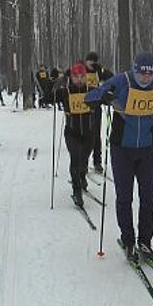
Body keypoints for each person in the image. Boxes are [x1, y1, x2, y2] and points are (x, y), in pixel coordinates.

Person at [85, 52, 153, 262]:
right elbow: (90, 97)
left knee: (148, 198)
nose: (145, 78)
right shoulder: (121, 81)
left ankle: (145, 241)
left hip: (148, 149)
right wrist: (102, 97)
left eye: (150, 74)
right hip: (121, 149)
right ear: (134, 71)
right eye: (141, 74)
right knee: (124, 198)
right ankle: (128, 240)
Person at [53, 62, 96, 207]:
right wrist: (60, 80)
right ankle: (77, 191)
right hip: (72, 132)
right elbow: (48, 95)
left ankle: (82, 176)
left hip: (89, 133)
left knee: (84, 160)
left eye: (82, 76)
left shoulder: (92, 90)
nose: (79, 79)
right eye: (76, 77)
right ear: (71, 77)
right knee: (75, 158)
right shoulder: (66, 91)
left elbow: (106, 97)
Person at [84, 51, 115, 174]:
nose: (92, 63)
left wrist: (100, 69)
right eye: (90, 61)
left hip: (96, 105)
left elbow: (111, 77)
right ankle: (83, 163)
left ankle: (97, 162)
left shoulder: (99, 71)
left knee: (96, 135)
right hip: (84, 106)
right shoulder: (81, 70)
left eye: (95, 61)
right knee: (85, 135)